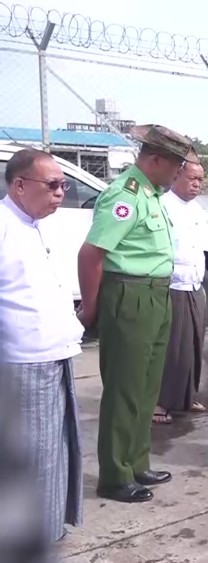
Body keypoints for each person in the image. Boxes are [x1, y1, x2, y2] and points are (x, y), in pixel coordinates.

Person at [78, 124, 196, 503]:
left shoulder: (151, 194)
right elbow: (91, 255)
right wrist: (92, 308)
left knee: (146, 388)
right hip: (129, 295)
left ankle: (136, 462)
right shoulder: (125, 195)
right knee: (124, 390)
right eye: (175, 166)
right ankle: (114, 475)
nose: (178, 173)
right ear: (156, 160)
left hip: (156, 295)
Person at [0, 149, 84, 540]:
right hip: (24, 364)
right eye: (52, 185)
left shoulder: (40, 226)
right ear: (19, 186)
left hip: (55, 355)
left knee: (56, 450)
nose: (60, 193)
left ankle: (47, 530)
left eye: (63, 185)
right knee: (32, 456)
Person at [154, 159, 208, 425]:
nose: (197, 184)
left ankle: (187, 396)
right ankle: (161, 402)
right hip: (172, 284)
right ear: (176, 176)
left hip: (195, 283)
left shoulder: (197, 210)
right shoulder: (162, 206)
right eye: (192, 178)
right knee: (172, 347)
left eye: (201, 180)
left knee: (194, 345)